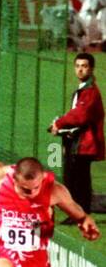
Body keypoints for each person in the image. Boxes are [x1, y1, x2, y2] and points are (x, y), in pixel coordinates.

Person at [48, 52, 103, 219]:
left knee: (79, 180)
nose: (80, 70)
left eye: (84, 66)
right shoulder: (83, 89)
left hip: (85, 143)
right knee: (74, 178)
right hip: (78, 141)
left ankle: (80, 213)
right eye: (78, 66)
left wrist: (59, 123)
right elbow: (77, 115)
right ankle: (76, 212)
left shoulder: (90, 91)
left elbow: (80, 115)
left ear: (91, 69)